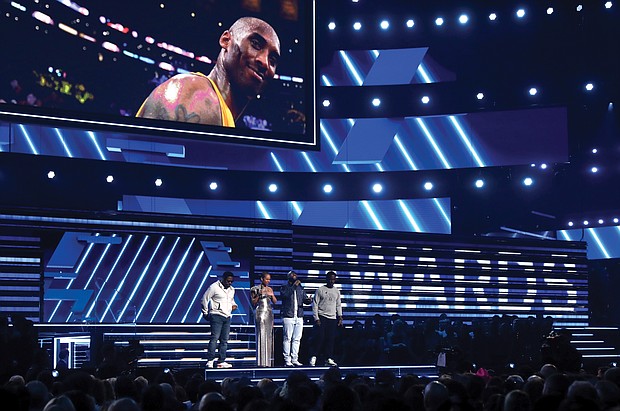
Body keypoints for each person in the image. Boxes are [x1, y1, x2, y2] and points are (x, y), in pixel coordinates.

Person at [136, 16, 280, 127]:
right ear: (226, 40)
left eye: (272, 60)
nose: (264, 63)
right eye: (255, 44)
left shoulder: (219, 111)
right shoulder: (197, 95)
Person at [201, 271, 238, 368]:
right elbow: (204, 299)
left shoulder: (232, 290)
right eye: (228, 281)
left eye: (231, 281)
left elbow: (231, 300)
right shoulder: (214, 287)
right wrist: (205, 312)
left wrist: (233, 306)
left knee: (224, 340)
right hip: (216, 315)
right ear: (223, 279)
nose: (229, 283)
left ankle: (221, 360)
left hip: (227, 316)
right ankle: (210, 360)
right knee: (215, 338)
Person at [309, 271, 343, 367]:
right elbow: (315, 305)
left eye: (333, 279)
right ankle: (314, 356)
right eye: (330, 279)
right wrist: (316, 318)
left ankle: (328, 358)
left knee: (330, 339)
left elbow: (338, 305)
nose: (332, 281)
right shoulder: (320, 290)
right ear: (327, 279)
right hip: (322, 316)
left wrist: (340, 317)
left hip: (332, 318)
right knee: (320, 338)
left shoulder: (336, 291)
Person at [280, 270, 312, 367]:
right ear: (288, 277)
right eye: (293, 275)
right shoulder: (284, 287)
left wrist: (309, 300)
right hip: (288, 315)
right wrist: (294, 286)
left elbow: (305, 300)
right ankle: (287, 360)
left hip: (299, 316)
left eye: (296, 275)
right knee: (287, 338)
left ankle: (295, 359)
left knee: (297, 339)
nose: (295, 276)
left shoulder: (300, 288)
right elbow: (285, 295)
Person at [250, 272, 277, 367]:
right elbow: (253, 302)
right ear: (261, 279)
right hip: (260, 313)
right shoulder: (254, 289)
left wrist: (272, 295)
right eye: (266, 279)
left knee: (269, 336)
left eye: (269, 279)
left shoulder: (270, 289)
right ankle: (260, 362)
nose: (268, 281)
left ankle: (268, 362)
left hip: (269, 313)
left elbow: (275, 302)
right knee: (261, 334)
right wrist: (259, 294)